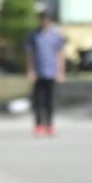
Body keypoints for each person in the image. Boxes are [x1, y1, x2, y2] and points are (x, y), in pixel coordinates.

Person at [27, 9, 65, 137]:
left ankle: (49, 124)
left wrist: (60, 71)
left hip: (51, 71)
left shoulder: (56, 35)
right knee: (38, 100)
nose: (45, 21)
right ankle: (39, 125)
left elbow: (59, 54)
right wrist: (31, 70)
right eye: (42, 19)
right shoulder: (34, 35)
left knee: (50, 101)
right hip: (39, 71)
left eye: (47, 19)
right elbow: (31, 54)